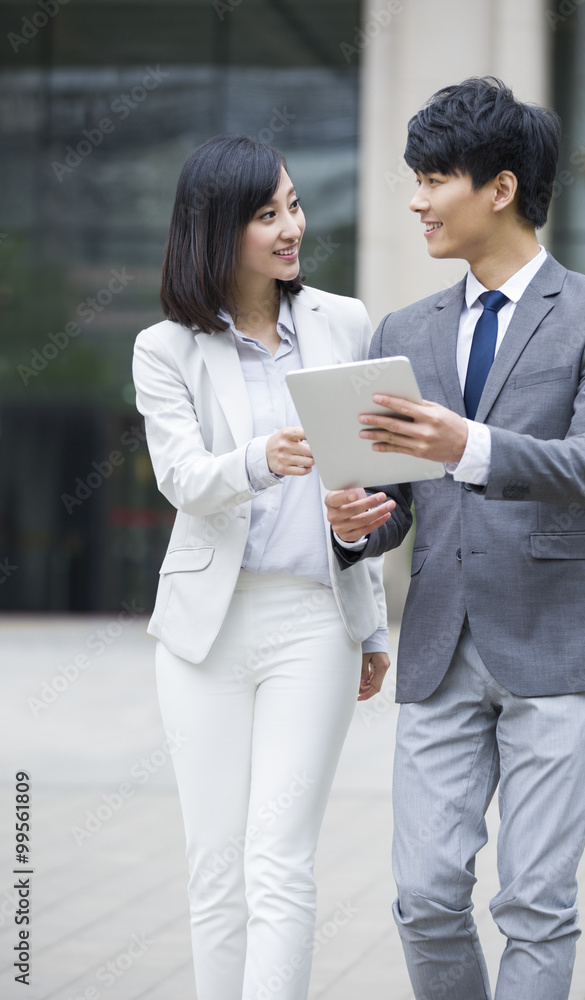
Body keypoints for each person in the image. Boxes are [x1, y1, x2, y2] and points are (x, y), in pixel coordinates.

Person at [326, 78, 585, 1000]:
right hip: (440, 648)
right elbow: (394, 499)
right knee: (424, 896)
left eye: (434, 178)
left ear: (499, 188)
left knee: (537, 903)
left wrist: (465, 444)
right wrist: (358, 523)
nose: (417, 200)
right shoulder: (403, 331)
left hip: (558, 642)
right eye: (414, 178)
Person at [132, 134, 390, 1000]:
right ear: (214, 230)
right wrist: (258, 459)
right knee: (215, 867)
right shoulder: (163, 349)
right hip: (206, 630)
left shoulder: (344, 322)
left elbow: (363, 481)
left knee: (280, 861)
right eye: (266, 213)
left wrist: (370, 624)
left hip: (314, 620)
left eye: (292, 204)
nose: (291, 227)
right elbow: (180, 480)